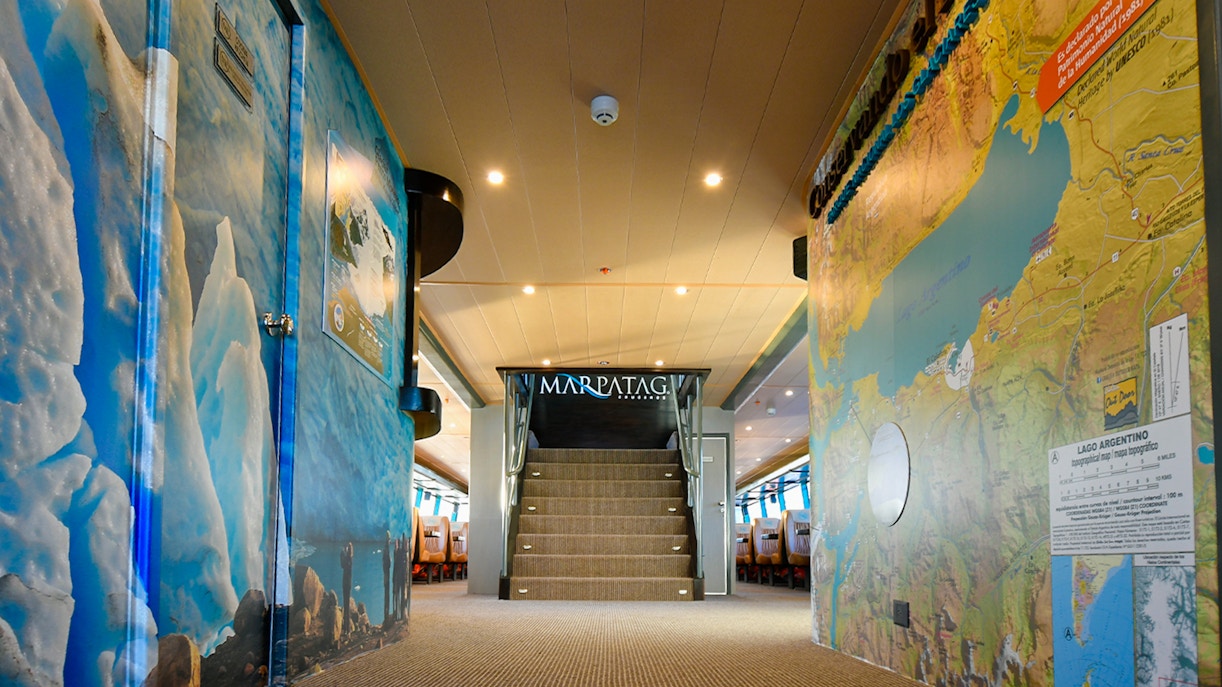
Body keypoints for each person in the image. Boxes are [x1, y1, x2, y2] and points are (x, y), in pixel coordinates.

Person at [340, 541, 354, 636]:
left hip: (346, 584)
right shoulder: (350, 559)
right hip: (347, 584)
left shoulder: (348, 560)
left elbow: (343, 565)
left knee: (346, 605)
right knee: (346, 605)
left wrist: (342, 553)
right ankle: (347, 629)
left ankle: (347, 629)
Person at [382, 530, 392, 626]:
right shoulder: (386, 550)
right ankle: (386, 618)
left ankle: (386, 616)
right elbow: (386, 563)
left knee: (387, 596)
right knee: (387, 596)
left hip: (387, 575)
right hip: (386, 576)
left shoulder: (386, 549)